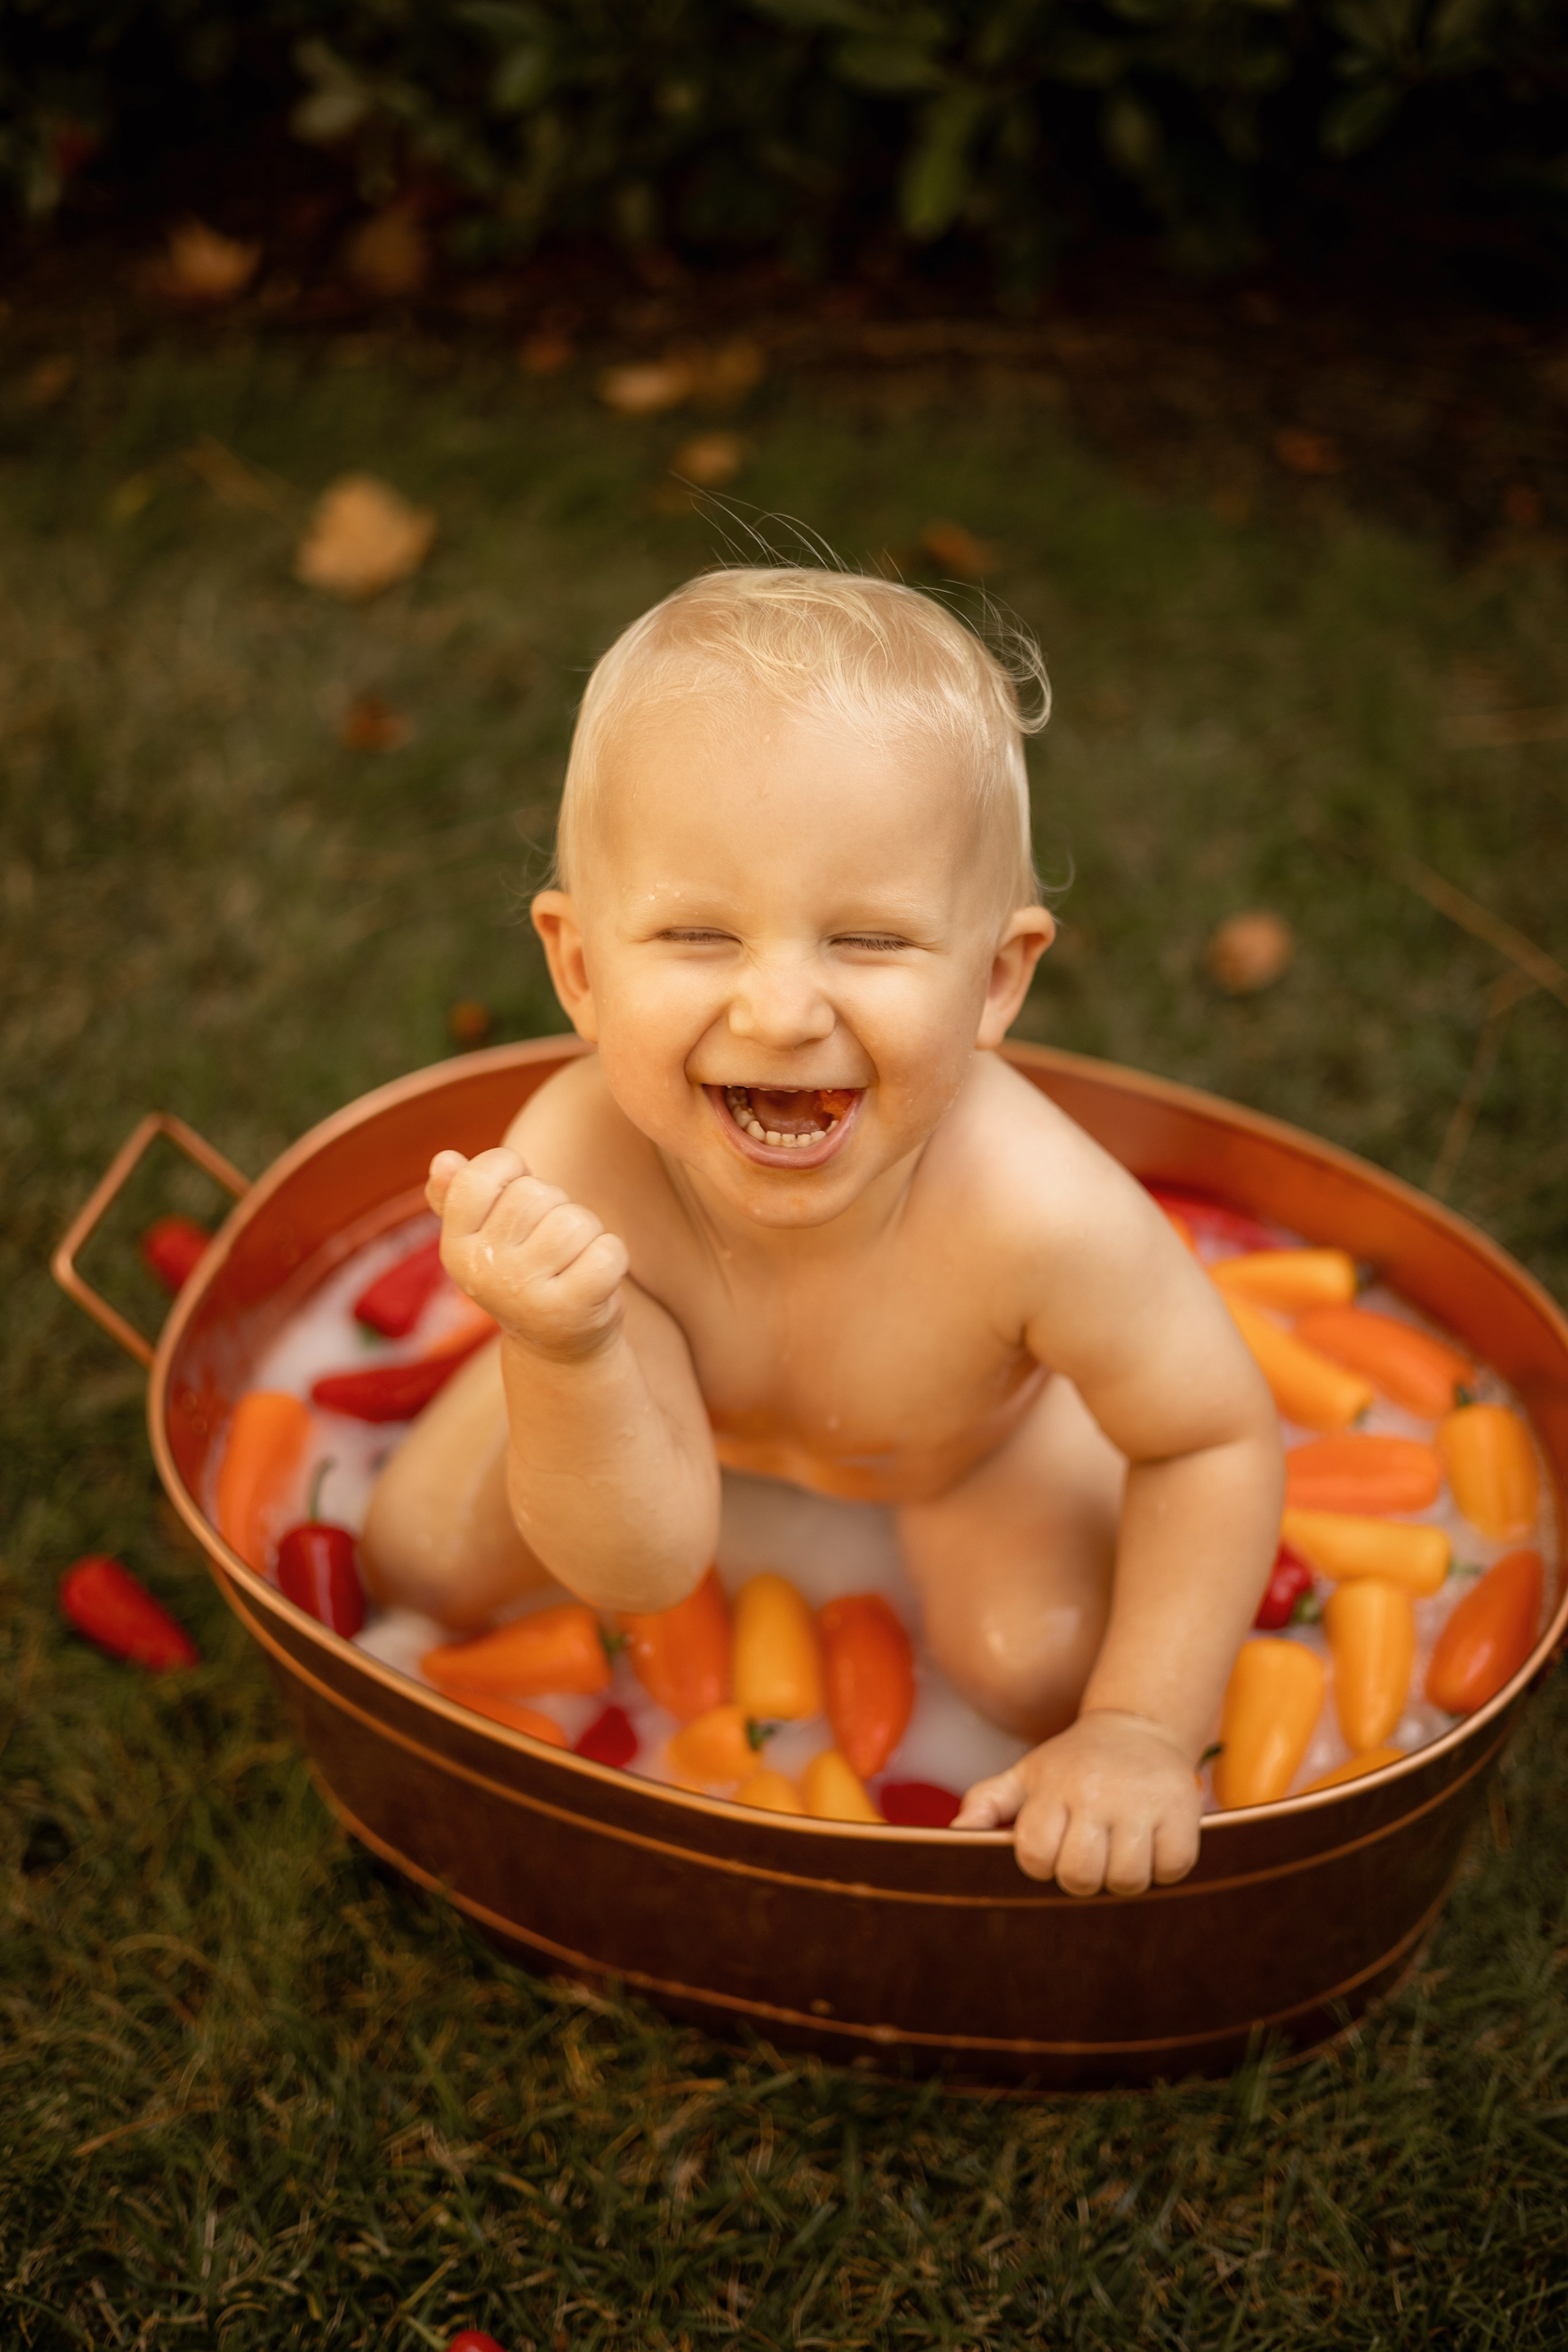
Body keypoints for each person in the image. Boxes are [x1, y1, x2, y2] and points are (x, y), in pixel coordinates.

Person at [363, 567, 1283, 1893]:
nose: (781, 1010)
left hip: (964, 1453)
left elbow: (1211, 1434)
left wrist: (1143, 1730)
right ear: (577, 968)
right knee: (418, 1561)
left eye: (866, 938)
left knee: (1046, 1666)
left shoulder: (1037, 1213)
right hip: (656, 1433)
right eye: (694, 932)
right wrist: (566, 1353)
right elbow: (639, 1564)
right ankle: (555, 1374)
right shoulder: (577, 1166)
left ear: (996, 978)